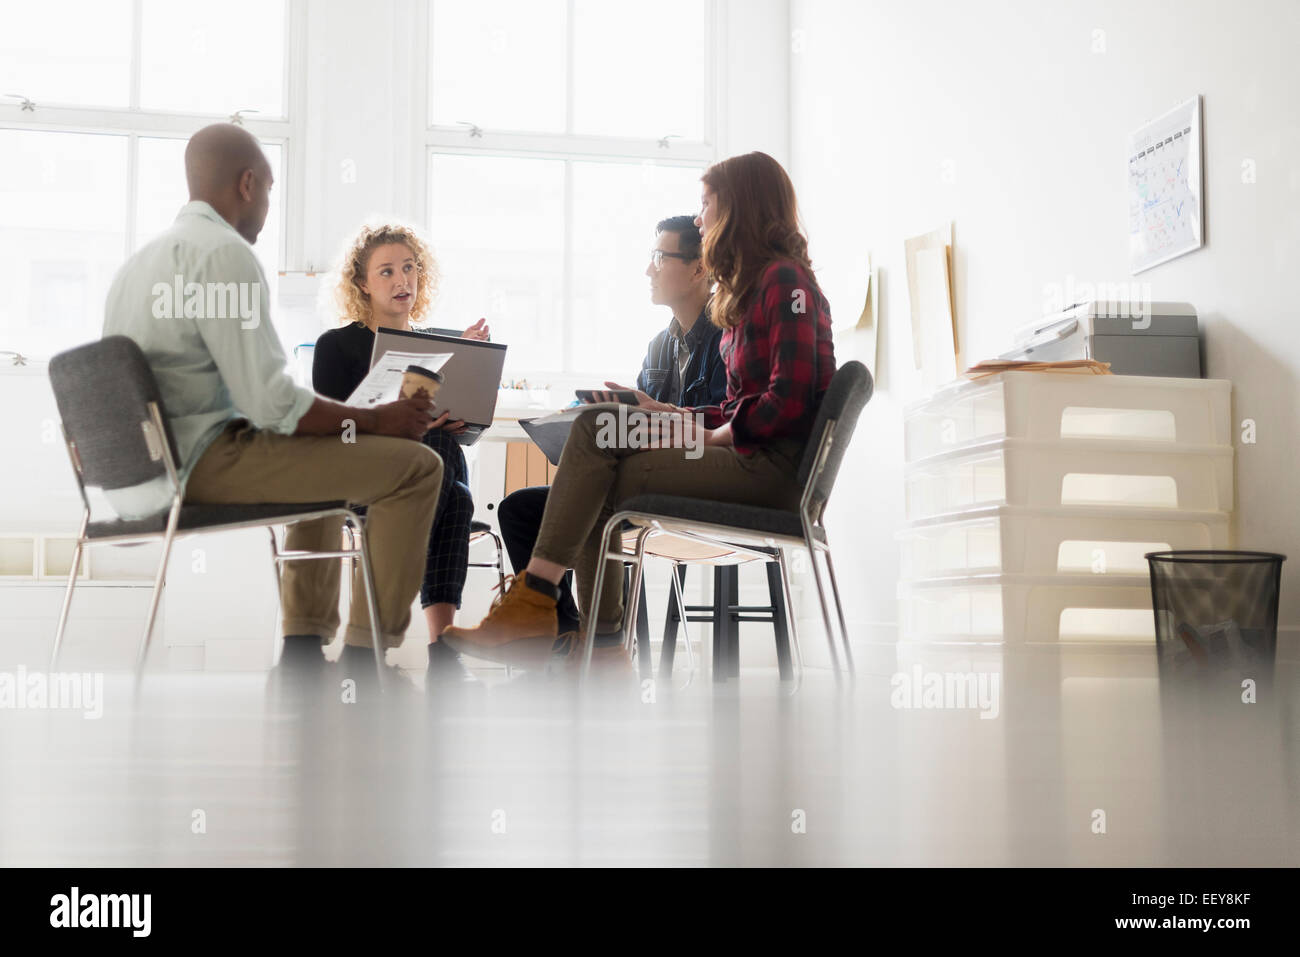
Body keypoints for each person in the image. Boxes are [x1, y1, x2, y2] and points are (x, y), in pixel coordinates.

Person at [441, 152, 836, 671]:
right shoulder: (756, 288)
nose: (699, 218)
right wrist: (678, 416)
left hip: (771, 471)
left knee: (600, 455)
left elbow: (788, 403)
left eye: (707, 203)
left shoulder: (785, 283)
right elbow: (741, 405)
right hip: (748, 455)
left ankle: (564, 620)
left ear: (740, 208)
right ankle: (589, 639)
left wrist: (708, 435)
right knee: (597, 429)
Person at [102, 122, 443, 682]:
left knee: (316, 451)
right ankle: (366, 654)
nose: (266, 204)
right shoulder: (224, 256)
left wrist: (340, 422)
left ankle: (305, 651)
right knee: (418, 468)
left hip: (140, 471)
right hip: (199, 461)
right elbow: (272, 404)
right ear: (247, 184)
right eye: (269, 189)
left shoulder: (139, 266)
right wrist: (378, 419)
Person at [495, 214, 726, 639]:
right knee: (518, 510)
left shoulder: (726, 338)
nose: (648, 270)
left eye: (659, 257)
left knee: (595, 504)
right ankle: (565, 636)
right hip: (639, 481)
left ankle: (604, 644)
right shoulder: (659, 346)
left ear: (698, 269)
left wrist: (654, 418)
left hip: (691, 483)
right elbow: (634, 430)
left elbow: (725, 425)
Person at [312, 222, 489, 674]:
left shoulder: (440, 345)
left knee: (445, 453)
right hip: (360, 478)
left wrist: (469, 368)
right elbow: (333, 435)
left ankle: (404, 638)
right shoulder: (337, 346)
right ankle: (442, 646)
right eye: (386, 271)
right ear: (362, 284)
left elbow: (470, 430)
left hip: (428, 474)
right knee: (457, 495)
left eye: (409, 268)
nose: (402, 280)